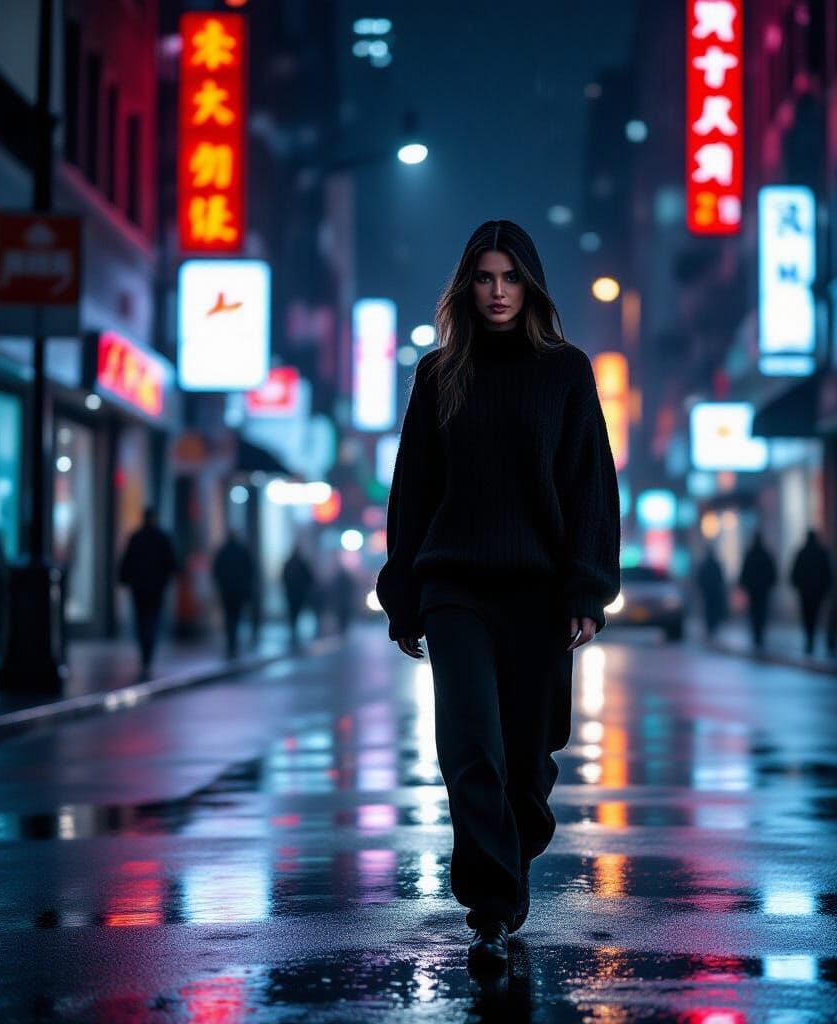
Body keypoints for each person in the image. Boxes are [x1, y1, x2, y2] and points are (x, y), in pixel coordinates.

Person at [375, 220, 621, 973]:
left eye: (510, 277)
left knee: (524, 760)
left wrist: (586, 589)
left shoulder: (567, 371)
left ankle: (508, 861)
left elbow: (590, 485)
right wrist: (403, 594)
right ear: (466, 287)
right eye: (484, 277)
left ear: (531, 286)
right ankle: (489, 903)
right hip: (454, 588)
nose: (497, 292)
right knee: (470, 747)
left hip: (538, 594)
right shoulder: (438, 373)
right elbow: (413, 490)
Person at [117, 507, 177, 677]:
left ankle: (144, 651)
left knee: (141, 618)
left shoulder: (136, 538)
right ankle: (147, 652)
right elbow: (171, 563)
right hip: (156, 587)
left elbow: (127, 561)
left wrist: (124, 579)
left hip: (139, 587)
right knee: (152, 619)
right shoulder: (162, 538)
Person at [211, 530, 254, 658]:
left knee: (229, 617)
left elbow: (216, 571)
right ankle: (233, 644)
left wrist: (220, 585)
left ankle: (231, 644)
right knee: (236, 617)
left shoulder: (222, 552)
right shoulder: (242, 551)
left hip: (226, 591)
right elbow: (250, 572)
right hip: (238, 592)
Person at [789, 530, 833, 655]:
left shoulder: (802, 553)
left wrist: (797, 585)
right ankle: (811, 637)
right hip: (817, 592)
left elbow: (795, 572)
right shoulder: (821, 553)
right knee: (814, 615)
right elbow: (828, 573)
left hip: (805, 592)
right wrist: (826, 588)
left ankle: (809, 638)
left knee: (807, 615)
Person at [739, 531, 777, 650]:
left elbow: (744, 573)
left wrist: (745, 584)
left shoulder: (750, 555)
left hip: (754, 590)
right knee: (761, 612)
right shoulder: (765, 555)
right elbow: (772, 573)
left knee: (754, 612)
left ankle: (757, 634)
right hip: (762, 590)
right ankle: (759, 634)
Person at [282, 543, 314, 645]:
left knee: (293, 612)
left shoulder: (289, 563)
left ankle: (293, 628)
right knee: (296, 611)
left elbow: (284, 577)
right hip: (298, 593)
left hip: (291, 593)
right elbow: (309, 578)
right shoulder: (301, 563)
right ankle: (294, 628)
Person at [696, 546, 727, 638]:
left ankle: (711, 627)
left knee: (710, 611)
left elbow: (701, 578)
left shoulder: (707, 565)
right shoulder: (714, 565)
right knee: (712, 611)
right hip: (712, 593)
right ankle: (712, 627)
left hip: (709, 593)